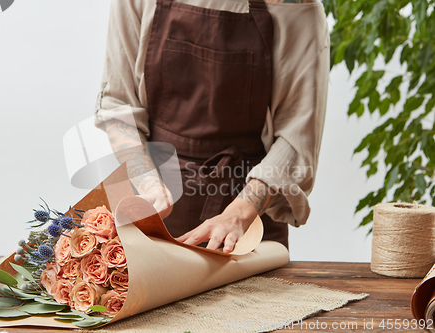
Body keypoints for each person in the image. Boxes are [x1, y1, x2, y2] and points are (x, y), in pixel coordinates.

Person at [95, 0, 330, 253]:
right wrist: (148, 183)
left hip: (246, 229)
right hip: (155, 215)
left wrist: (239, 214)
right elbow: (119, 108)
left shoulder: (293, 6)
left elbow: (297, 139)